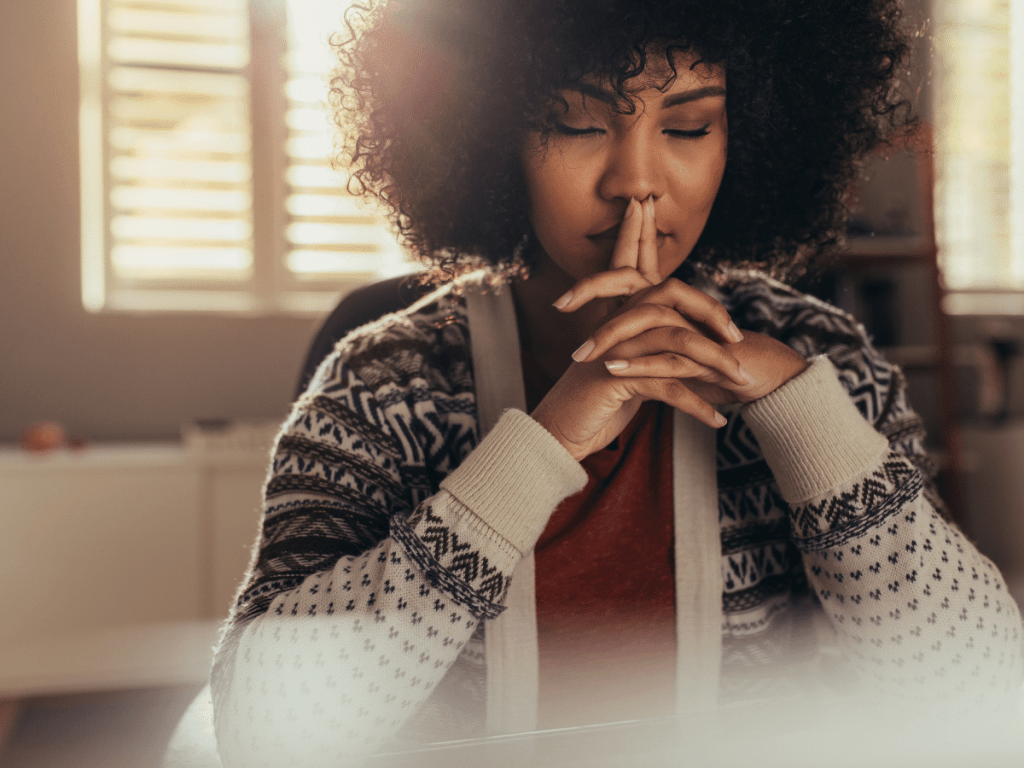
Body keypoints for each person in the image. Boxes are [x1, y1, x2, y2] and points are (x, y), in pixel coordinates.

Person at [211, 1, 1024, 766]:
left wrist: (804, 418)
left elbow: (983, 699)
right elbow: (264, 730)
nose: (636, 180)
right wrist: (544, 445)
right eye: (575, 122)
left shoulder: (820, 358)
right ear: (490, 134)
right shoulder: (391, 384)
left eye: (689, 125)